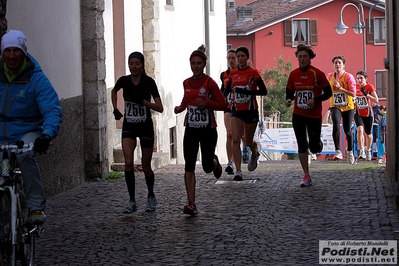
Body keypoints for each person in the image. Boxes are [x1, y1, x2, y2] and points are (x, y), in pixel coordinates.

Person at [0, 30, 62, 223]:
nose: (11, 56)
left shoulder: (36, 79)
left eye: (16, 51)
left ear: (24, 52)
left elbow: (52, 108)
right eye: (7, 51)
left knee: (24, 154)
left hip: (26, 131)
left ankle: (35, 206)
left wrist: (47, 134)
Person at [174, 45, 227, 216]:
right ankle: (191, 203)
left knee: (206, 167)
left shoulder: (209, 83)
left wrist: (207, 104)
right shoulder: (186, 83)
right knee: (189, 166)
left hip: (208, 130)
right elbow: (186, 99)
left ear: (204, 64)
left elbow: (224, 104)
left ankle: (214, 161)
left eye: (198, 63)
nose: (195, 66)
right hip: (191, 129)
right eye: (193, 63)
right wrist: (180, 108)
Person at [111, 51, 164, 213]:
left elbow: (160, 108)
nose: (134, 66)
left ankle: (150, 195)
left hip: (145, 126)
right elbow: (114, 91)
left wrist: (143, 102)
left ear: (142, 66)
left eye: (137, 63)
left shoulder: (149, 82)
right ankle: (132, 200)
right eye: (131, 63)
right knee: (128, 162)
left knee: (146, 166)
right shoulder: (124, 81)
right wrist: (115, 109)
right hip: (129, 126)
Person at [285, 44, 332, 187]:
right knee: (301, 144)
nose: (302, 59)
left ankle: (318, 143)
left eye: (305, 56)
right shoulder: (293, 74)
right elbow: (289, 91)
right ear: (297, 58)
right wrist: (288, 99)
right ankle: (306, 175)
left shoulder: (317, 73)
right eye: (300, 57)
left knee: (314, 147)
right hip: (298, 114)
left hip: (314, 115)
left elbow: (328, 93)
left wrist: (315, 100)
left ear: (310, 57)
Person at [223, 46, 267, 181]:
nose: (240, 59)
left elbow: (263, 91)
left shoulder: (253, 72)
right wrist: (220, 101)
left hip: (250, 110)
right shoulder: (233, 73)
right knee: (235, 138)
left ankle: (254, 151)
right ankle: (238, 170)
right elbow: (227, 91)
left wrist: (247, 92)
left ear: (247, 58)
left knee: (247, 142)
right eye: (238, 56)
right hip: (236, 110)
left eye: (243, 56)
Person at [327, 55, 356, 164]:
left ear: (344, 65)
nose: (337, 64)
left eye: (339, 62)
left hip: (348, 106)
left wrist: (341, 88)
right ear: (333, 65)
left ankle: (349, 151)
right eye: (335, 63)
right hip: (335, 105)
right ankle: (338, 150)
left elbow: (353, 93)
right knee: (335, 124)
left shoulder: (348, 77)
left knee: (347, 130)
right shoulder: (330, 76)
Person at [354, 70, 378, 161]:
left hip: (368, 113)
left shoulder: (369, 86)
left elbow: (376, 100)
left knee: (368, 134)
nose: (359, 80)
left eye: (361, 78)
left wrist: (367, 95)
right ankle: (362, 150)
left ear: (365, 78)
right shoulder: (355, 87)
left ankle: (368, 150)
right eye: (358, 78)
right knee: (359, 130)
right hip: (358, 112)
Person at [220, 49, 237, 175]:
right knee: (229, 134)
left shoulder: (243, 73)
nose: (231, 60)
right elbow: (222, 90)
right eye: (229, 58)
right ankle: (230, 162)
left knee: (240, 136)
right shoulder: (224, 74)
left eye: (233, 58)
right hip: (227, 106)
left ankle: (251, 150)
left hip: (240, 106)